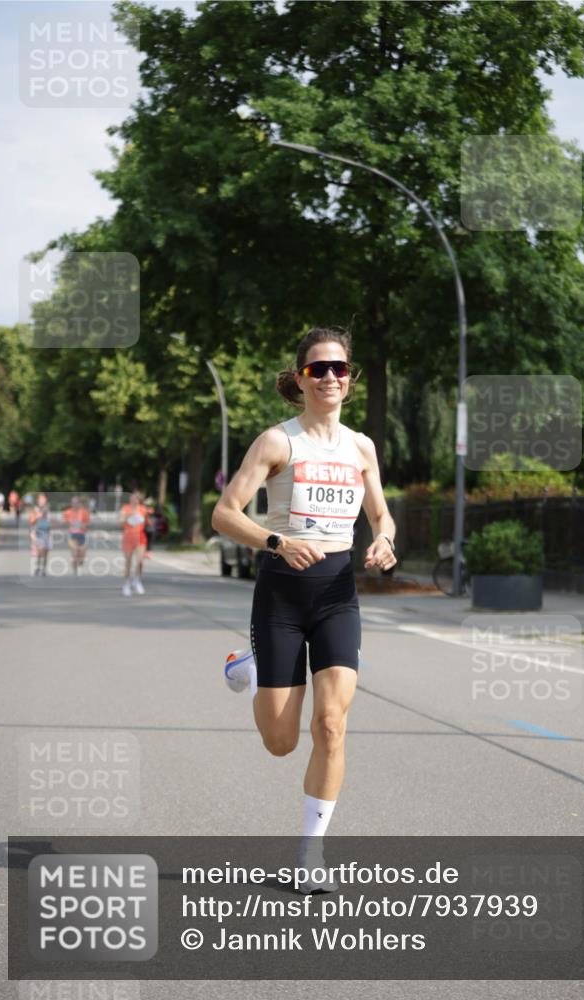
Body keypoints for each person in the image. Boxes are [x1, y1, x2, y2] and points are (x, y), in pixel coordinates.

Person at [212, 326, 397, 892]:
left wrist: (385, 540)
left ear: (352, 378)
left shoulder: (361, 448)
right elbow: (224, 513)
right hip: (281, 594)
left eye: (340, 368)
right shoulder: (277, 442)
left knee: (332, 725)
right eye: (319, 369)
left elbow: (382, 516)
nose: (331, 378)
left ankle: (311, 855)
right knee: (281, 742)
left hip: (338, 592)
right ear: (300, 378)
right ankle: (246, 665)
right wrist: (276, 541)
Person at [120, 491, 149, 596]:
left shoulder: (143, 509)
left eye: (136, 498)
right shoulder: (125, 508)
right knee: (128, 561)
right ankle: (126, 584)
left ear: (139, 500)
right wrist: (128, 516)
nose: (134, 500)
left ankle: (137, 581)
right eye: (132, 498)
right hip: (128, 537)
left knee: (140, 561)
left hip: (140, 537)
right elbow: (121, 523)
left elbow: (146, 522)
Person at [62, 495, 91, 575]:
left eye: (76, 503)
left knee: (81, 555)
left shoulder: (84, 512)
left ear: (79, 503)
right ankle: (75, 570)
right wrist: (68, 523)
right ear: (71, 504)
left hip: (83, 534)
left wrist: (84, 525)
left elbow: (88, 523)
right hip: (72, 534)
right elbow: (63, 522)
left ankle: (80, 564)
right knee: (75, 554)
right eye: (73, 503)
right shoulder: (67, 512)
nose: (75, 504)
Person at [29, 494, 52, 576]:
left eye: (43, 500)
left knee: (46, 553)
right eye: (40, 500)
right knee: (39, 552)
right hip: (38, 533)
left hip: (46, 533)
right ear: (38, 501)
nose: (42, 502)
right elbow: (31, 522)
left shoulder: (47, 510)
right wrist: (32, 534)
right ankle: (38, 567)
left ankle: (44, 569)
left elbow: (50, 523)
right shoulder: (35, 511)